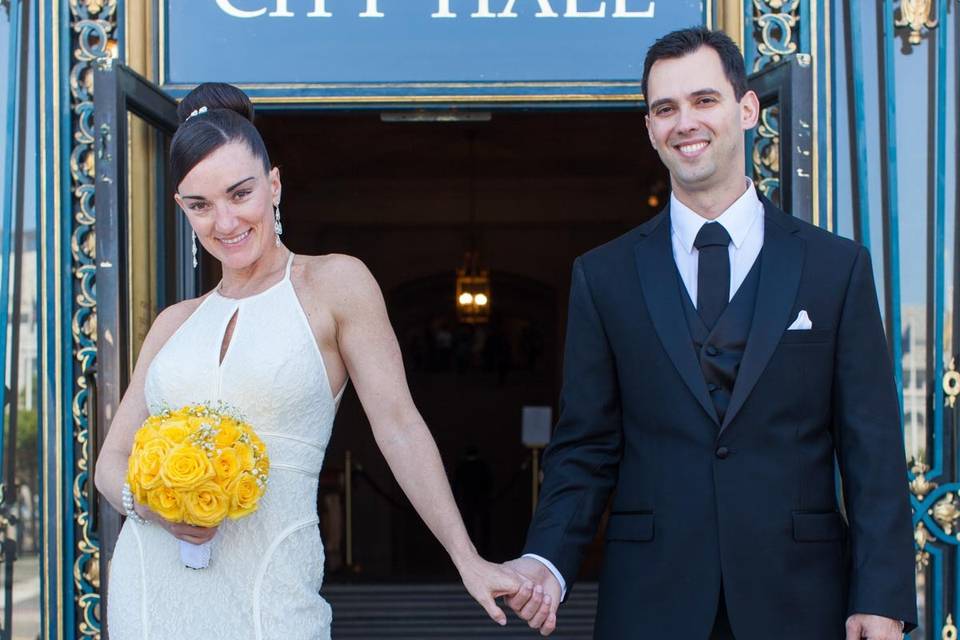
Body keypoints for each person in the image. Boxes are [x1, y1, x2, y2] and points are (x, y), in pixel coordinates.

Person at [503, 27, 916, 639]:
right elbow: (586, 447)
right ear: (649, 129)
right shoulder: (605, 275)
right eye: (665, 108)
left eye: (703, 100)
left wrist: (880, 595)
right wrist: (547, 563)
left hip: (801, 599)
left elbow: (872, 451)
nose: (684, 122)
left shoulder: (836, 268)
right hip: (652, 600)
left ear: (746, 109)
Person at [93, 82, 522, 639]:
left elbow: (398, 427)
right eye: (201, 205)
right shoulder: (174, 322)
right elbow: (111, 463)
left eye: (239, 193)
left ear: (274, 185)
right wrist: (159, 509)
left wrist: (468, 558)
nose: (224, 223)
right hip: (150, 590)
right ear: (181, 208)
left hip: (271, 591)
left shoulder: (334, 283)